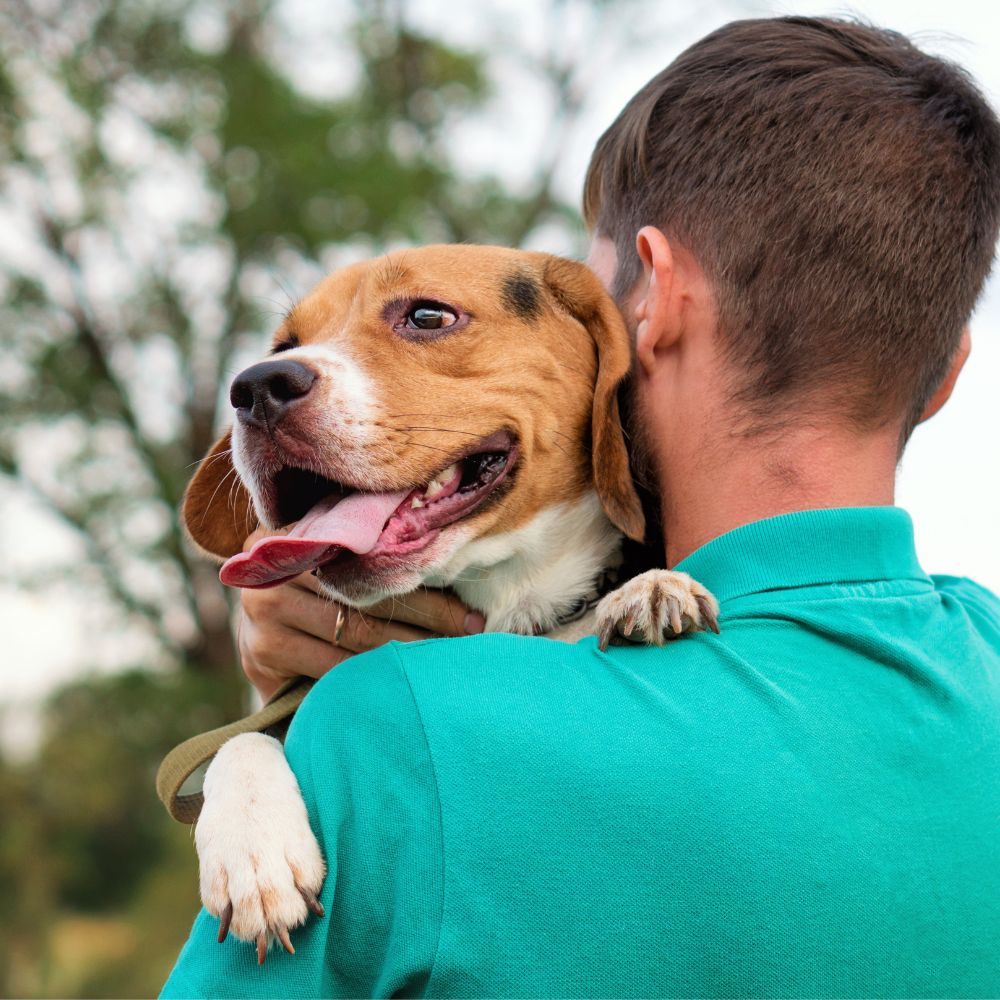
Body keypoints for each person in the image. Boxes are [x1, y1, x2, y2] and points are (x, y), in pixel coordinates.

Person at [163, 16, 1000, 998]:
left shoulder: (394, 731)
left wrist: (336, 725)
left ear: (653, 302)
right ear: (943, 374)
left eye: (426, 320)